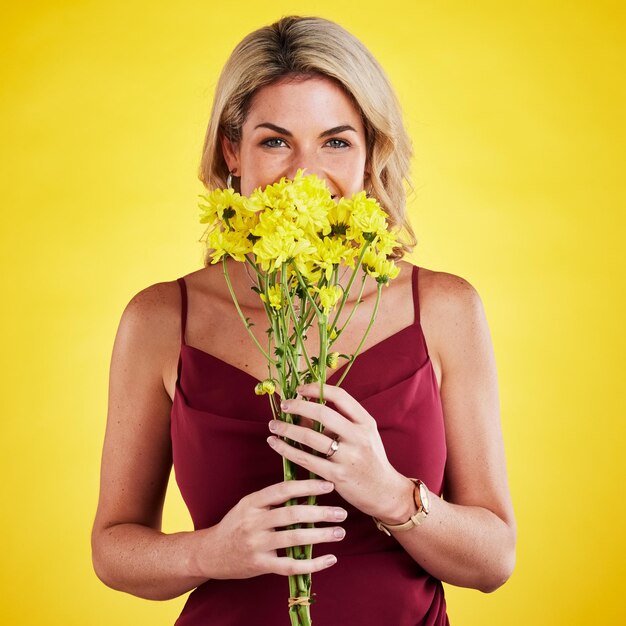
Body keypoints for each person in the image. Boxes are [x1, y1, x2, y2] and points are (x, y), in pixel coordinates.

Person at [91, 15, 516, 625]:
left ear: (371, 155)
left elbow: (494, 561)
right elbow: (113, 548)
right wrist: (210, 551)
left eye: (336, 141)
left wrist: (393, 494)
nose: (304, 174)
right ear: (232, 152)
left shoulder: (447, 310)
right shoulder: (161, 319)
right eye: (275, 141)